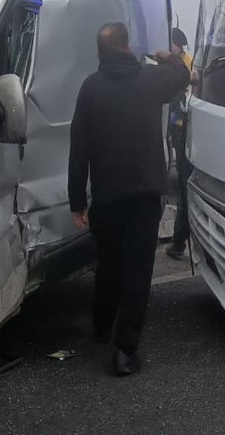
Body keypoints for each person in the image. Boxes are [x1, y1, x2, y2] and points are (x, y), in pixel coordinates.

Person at [68, 22, 191, 376]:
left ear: (100, 52)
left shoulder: (89, 88)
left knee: (108, 265)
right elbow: (182, 74)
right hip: (145, 197)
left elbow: (79, 150)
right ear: (128, 46)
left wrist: (78, 200)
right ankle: (124, 350)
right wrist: (170, 56)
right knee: (137, 272)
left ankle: (102, 327)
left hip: (106, 197)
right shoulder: (150, 79)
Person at [165, 28, 195, 260]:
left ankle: (179, 240)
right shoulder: (184, 62)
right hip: (180, 126)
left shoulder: (184, 64)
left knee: (185, 186)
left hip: (183, 126)